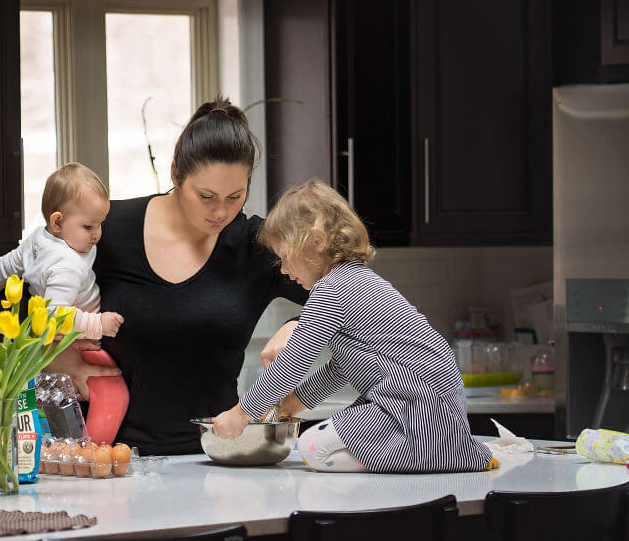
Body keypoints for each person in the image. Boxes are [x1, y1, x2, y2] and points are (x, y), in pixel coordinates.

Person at [41, 95, 308, 455]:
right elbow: (26, 302)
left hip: (218, 460)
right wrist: (61, 360)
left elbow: (356, 297)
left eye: (235, 196)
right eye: (207, 196)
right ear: (176, 175)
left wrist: (300, 325)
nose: (221, 212)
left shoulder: (255, 245)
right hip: (107, 463)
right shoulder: (108, 230)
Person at [212, 179, 499, 474]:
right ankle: (448, 451)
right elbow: (340, 369)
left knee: (313, 447)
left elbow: (293, 363)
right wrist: (291, 405)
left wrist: (242, 412)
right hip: (429, 403)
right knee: (331, 441)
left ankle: (444, 456)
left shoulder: (331, 290)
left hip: (415, 404)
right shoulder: (355, 281)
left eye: (284, 257)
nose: (283, 270)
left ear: (316, 241)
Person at [0, 162, 128, 444]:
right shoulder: (67, 263)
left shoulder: (38, 238)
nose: (97, 234)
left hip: (49, 339)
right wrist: (99, 323)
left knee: (56, 395)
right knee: (113, 393)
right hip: (77, 338)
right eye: (88, 226)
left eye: (100, 224)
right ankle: (91, 451)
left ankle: (58, 446)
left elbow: (11, 263)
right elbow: (55, 315)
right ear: (58, 222)